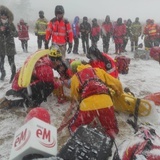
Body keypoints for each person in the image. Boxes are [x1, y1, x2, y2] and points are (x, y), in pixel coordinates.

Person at [68, 60, 123, 139]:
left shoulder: (75, 78)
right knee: (112, 129)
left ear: (74, 71)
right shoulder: (98, 71)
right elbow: (117, 83)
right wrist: (119, 93)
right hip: (106, 102)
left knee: (73, 126)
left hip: (87, 106)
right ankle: (109, 140)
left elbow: (74, 97)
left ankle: (83, 140)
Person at [5, 46, 72, 108]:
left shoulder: (42, 58)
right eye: (59, 62)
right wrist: (62, 82)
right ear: (56, 60)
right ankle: (28, 103)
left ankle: (20, 95)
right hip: (22, 87)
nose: (59, 64)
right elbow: (53, 84)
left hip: (19, 83)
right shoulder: (46, 69)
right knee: (49, 86)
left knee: (46, 83)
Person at [0, 7, 18, 82]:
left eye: (4, 14)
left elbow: (16, 34)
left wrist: (10, 31)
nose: (3, 16)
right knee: (1, 62)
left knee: (11, 62)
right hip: (1, 46)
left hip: (10, 46)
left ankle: (13, 75)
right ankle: (3, 73)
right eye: (1, 14)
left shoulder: (11, 24)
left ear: (7, 15)